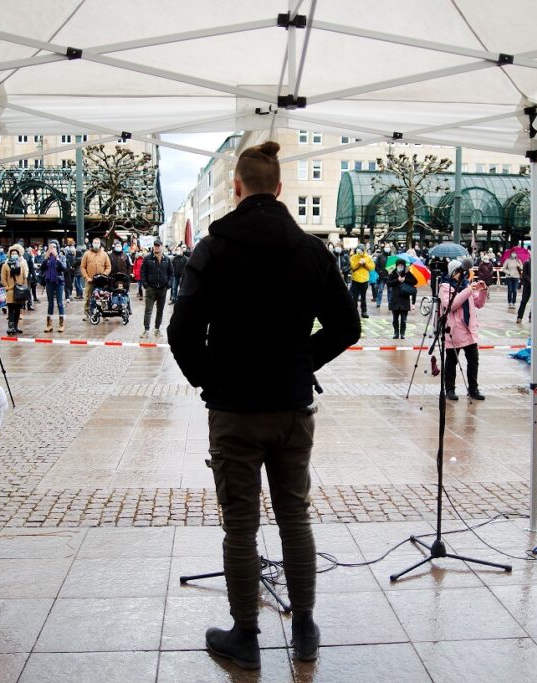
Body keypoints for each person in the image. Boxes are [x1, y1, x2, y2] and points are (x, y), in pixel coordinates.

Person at [168, 141, 359, 670]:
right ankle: (303, 627)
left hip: (234, 410)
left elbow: (181, 333)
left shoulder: (214, 248)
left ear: (237, 187)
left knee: (240, 525)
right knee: (295, 516)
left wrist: (212, 381)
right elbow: (348, 326)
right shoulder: (312, 252)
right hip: (291, 406)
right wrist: (302, 362)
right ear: (279, 189)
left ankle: (246, 636)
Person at [440, 258, 487, 401]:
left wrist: (483, 290)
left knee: (473, 360)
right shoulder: (445, 286)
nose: (461, 274)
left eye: (462, 272)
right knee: (451, 361)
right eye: (459, 272)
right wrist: (468, 290)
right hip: (454, 329)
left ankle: (473, 389)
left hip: (469, 329)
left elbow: (478, 303)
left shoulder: (467, 285)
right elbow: (451, 305)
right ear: (452, 272)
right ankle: (450, 389)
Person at [140, 240, 172, 337]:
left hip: (162, 288)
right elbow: (143, 272)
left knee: (160, 310)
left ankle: (157, 329)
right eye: (155, 246)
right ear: (153, 247)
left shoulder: (166, 259)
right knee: (148, 310)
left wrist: (169, 284)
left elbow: (171, 273)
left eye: (158, 246)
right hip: (151, 288)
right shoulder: (147, 259)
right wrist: (145, 284)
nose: (157, 247)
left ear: (162, 247)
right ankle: (146, 330)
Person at [0, 244, 28, 336]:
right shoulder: (5, 265)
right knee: (11, 310)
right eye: (12, 253)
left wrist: (24, 286)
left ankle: (16, 327)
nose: (14, 255)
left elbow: (24, 277)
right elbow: (3, 279)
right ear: (9, 254)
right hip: (11, 291)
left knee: (17, 311)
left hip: (20, 290)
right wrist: (7, 287)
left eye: (16, 253)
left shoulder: (21, 265)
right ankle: (10, 327)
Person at [385, 258, 417, 338]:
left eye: (402, 265)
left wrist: (405, 279)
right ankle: (396, 333)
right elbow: (388, 283)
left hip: (404, 300)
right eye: (399, 265)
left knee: (403, 319)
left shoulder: (407, 273)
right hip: (395, 300)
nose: (400, 267)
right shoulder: (393, 273)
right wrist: (397, 280)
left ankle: (402, 333)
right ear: (396, 266)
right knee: (395, 319)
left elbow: (415, 281)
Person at [80, 238, 111, 320]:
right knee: (88, 297)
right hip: (90, 280)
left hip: (101, 281)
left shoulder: (104, 254)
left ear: (100, 244)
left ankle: (104, 314)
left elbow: (108, 267)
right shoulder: (87, 254)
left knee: (103, 297)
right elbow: (82, 267)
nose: (96, 244)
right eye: (95, 243)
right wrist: (86, 277)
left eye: (98, 243)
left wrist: (104, 275)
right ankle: (87, 314)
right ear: (92, 243)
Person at [41, 240, 66, 333]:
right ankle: (49, 324)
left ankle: (61, 324)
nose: (52, 249)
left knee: (60, 303)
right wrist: (45, 258)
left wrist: (57, 258)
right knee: (50, 303)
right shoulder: (47, 257)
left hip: (59, 281)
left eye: (54, 247)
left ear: (57, 248)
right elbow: (42, 268)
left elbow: (64, 268)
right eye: (50, 247)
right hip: (49, 281)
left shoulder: (62, 257)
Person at [348, 246, 374, 318]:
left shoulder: (368, 257)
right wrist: (359, 263)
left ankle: (364, 311)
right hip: (355, 279)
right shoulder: (353, 257)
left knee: (363, 297)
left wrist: (365, 263)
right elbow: (352, 267)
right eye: (358, 250)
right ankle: (354, 312)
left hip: (365, 280)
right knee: (355, 297)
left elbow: (372, 267)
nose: (359, 252)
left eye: (361, 250)